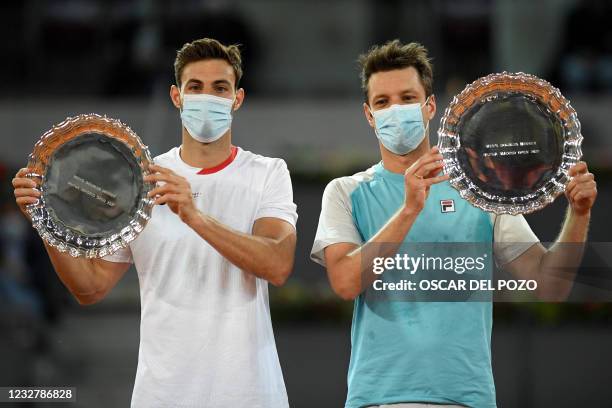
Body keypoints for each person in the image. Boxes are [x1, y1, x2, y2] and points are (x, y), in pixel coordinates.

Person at [310, 40, 597, 408]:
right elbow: (347, 282)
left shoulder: (479, 190)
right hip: (379, 398)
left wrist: (580, 213)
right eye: (383, 102)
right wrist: (409, 210)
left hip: (467, 397)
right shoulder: (346, 192)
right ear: (369, 115)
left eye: (407, 97)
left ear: (429, 106)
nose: (395, 110)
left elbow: (549, 286)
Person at [13, 38, 297, 408]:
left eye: (220, 88)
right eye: (195, 87)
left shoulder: (268, 173)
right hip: (162, 396)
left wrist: (194, 216)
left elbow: (277, 265)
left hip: (251, 393)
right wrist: (43, 217)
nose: (207, 97)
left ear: (237, 99)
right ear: (177, 97)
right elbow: (90, 287)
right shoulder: (138, 182)